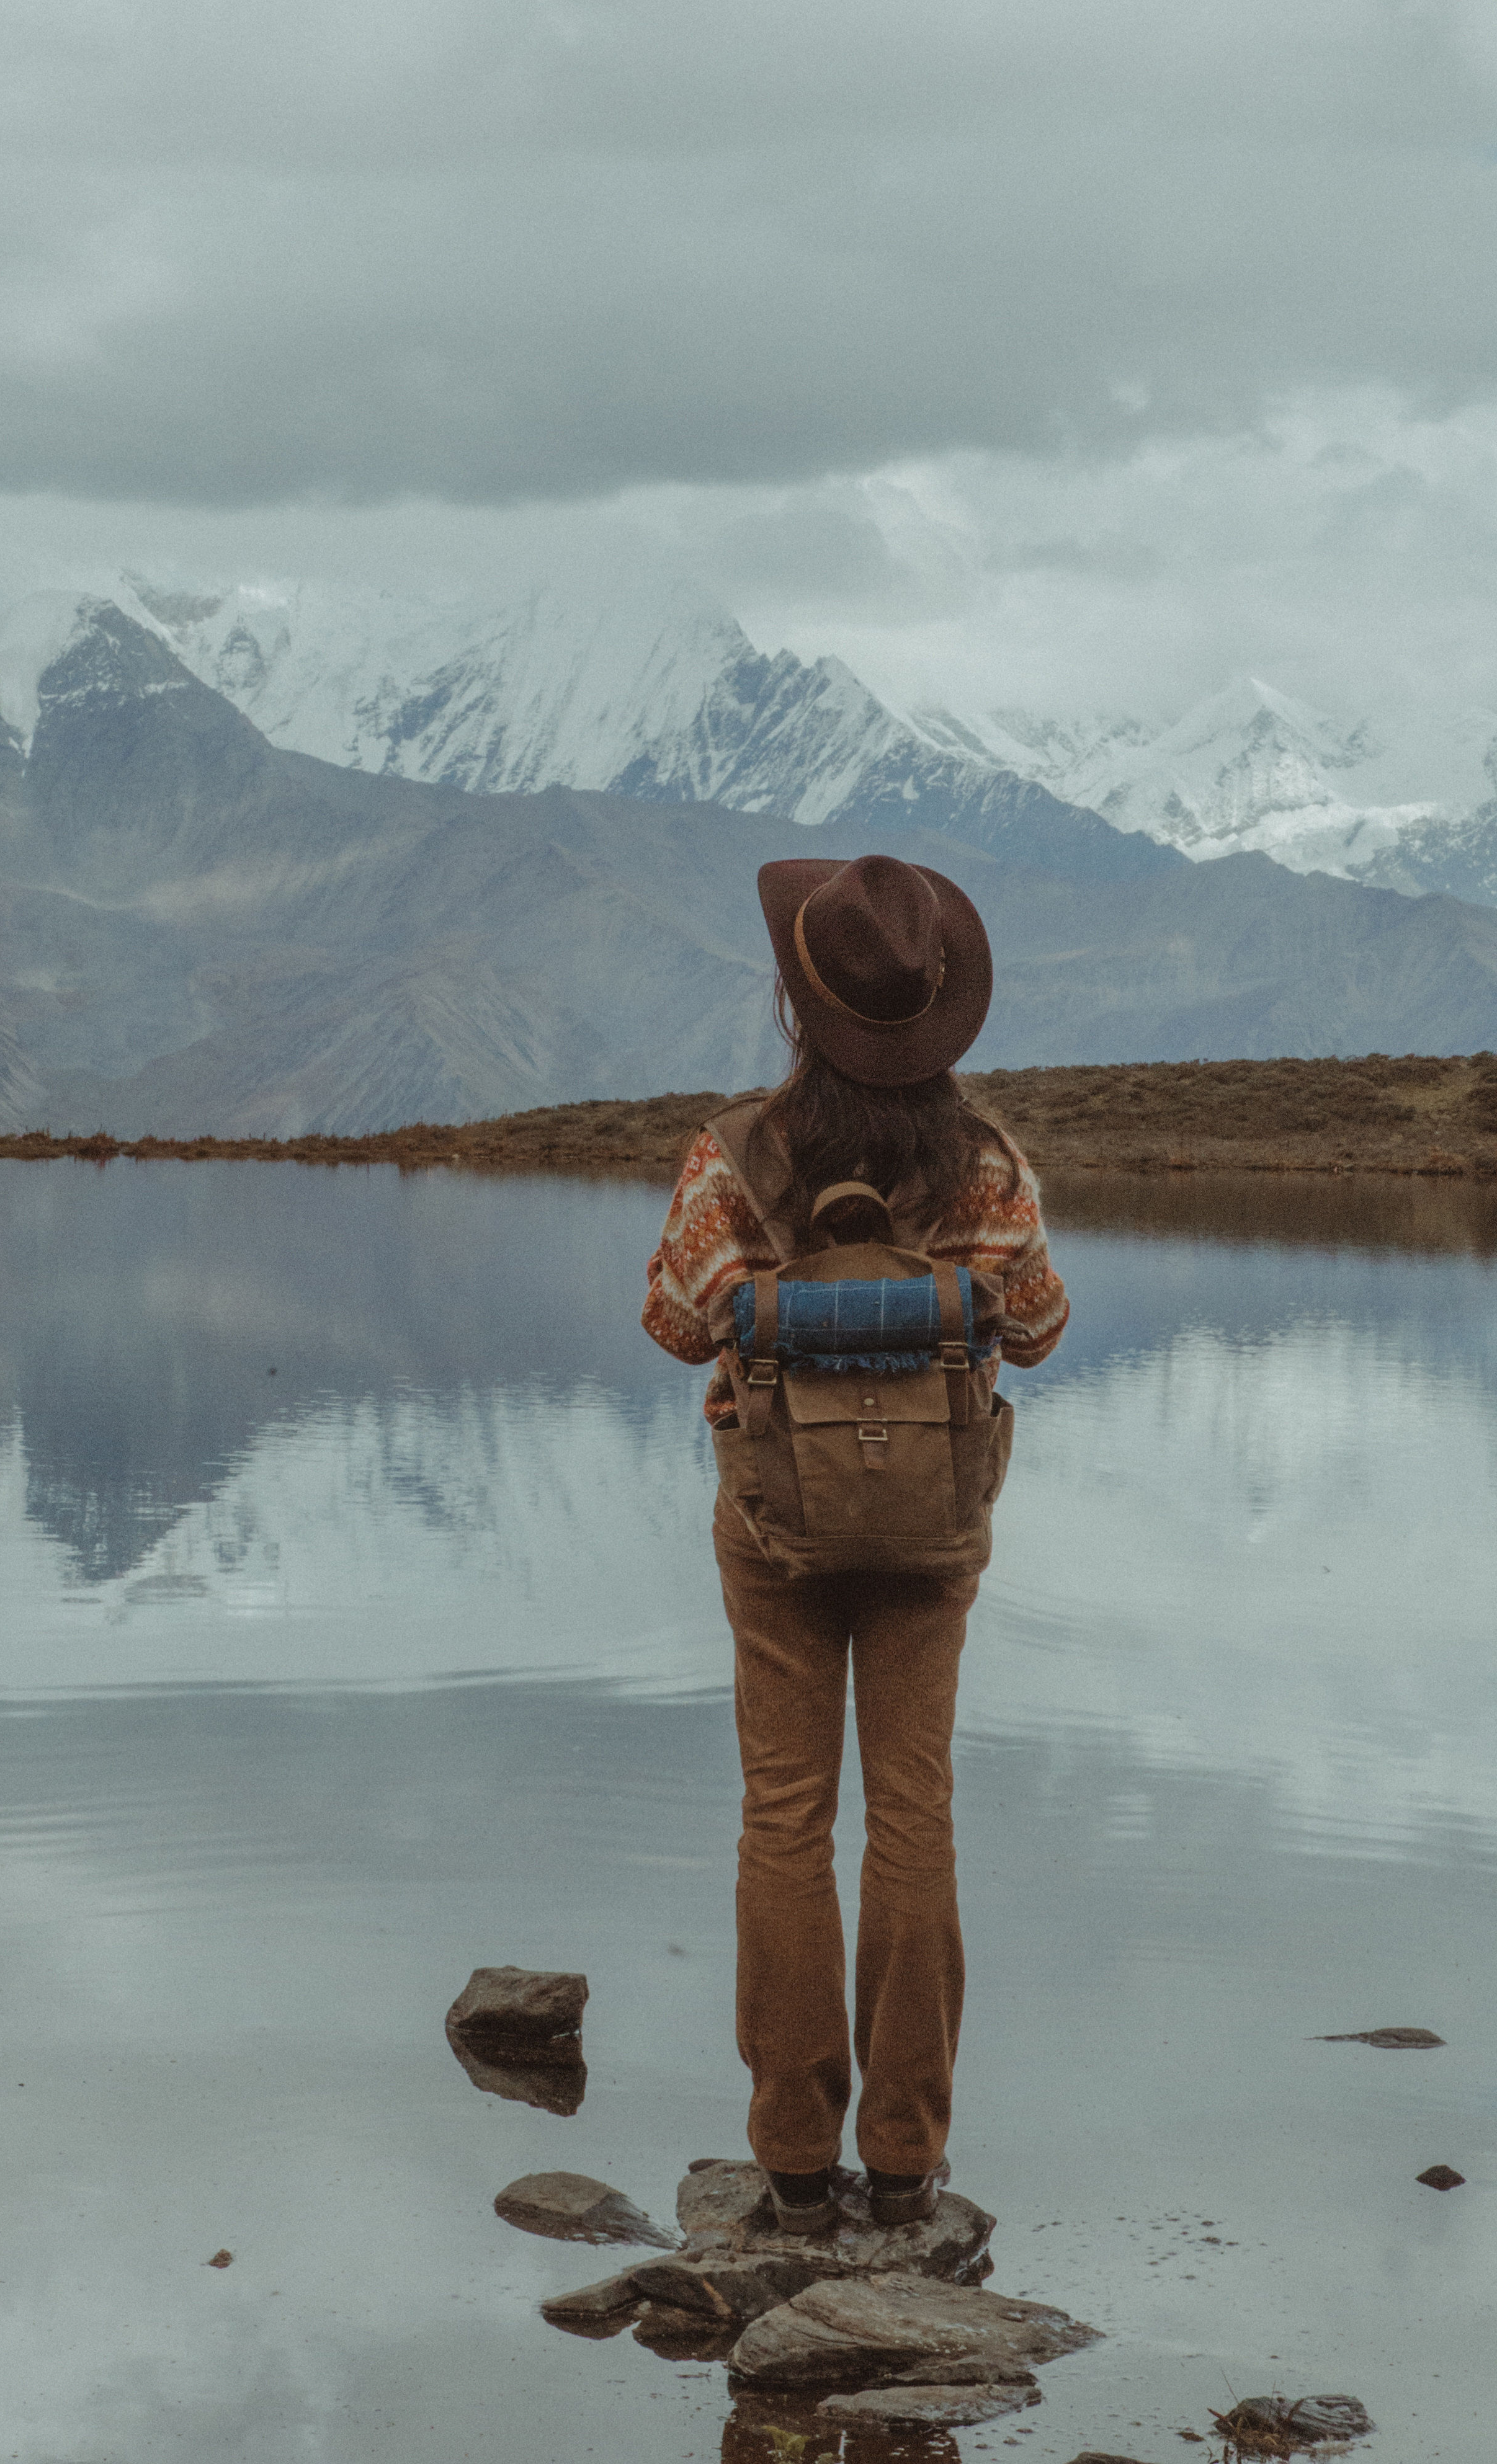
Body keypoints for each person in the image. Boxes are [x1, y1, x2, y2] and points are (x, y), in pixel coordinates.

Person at [641, 851, 1068, 2233]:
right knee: (914, 1816)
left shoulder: (733, 1159)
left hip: (774, 1526)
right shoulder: (994, 1169)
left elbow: (672, 1320)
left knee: (785, 1815)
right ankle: (902, 2157)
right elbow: (1044, 1329)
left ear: (795, 1005)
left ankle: (790, 2156)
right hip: (934, 1532)